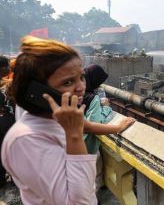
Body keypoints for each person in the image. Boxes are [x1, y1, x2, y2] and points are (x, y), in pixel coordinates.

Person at [1, 36, 97, 204]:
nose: (82, 87)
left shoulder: (55, 120)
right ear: (37, 91)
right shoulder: (26, 140)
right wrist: (74, 135)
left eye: (81, 77)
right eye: (68, 82)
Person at [0, 55, 15, 187]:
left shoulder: (5, 84)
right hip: (5, 123)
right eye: (7, 66)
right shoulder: (6, 86)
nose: (9, 68)